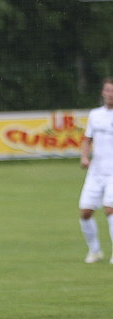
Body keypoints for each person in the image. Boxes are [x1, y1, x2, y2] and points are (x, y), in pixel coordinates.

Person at [79, 77, 113, 264]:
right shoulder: (95, 114)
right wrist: (84, 157)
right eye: (107, 90)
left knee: (110, 209)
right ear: (103, 92)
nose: (110, 95)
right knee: (85, 212)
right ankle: (95, 251)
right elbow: (87, 140)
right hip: (96, 172)